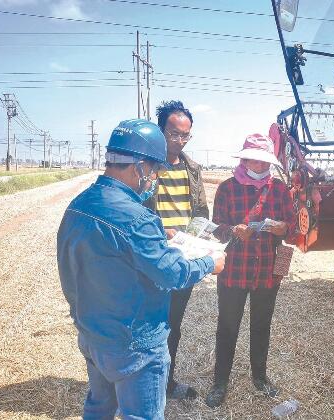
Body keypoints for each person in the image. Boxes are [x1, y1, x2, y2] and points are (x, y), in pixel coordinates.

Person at [57, 119, 225, 420]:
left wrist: (160, 241)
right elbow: (172, 274)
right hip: (136, 345)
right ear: (140, 167)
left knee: (99, 408)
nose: (156, 177)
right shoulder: (137, 217)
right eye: (156, 170)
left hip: (93, 335)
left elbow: (87, 266)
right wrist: (209, 263)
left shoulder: (79, 206)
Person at [205, 134, 295, 408]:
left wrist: (282, 228)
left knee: (261, 326)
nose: (256, 163)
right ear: (243, 159)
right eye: (251, 158)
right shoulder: (227, 189)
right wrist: (233, 230)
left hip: (268, 271)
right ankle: (220, 382)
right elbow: (216, 229)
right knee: (228, 327)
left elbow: (293, 225)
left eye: (262, 158)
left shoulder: (279, 189)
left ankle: (260, 376)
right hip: (234, 270)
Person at [145, 100, 209, 400]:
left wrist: (200, 238)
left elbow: (200, 213)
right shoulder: (145, 167)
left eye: (186, 135)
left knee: (173, 327)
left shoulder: (192, 169)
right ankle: (141, 386)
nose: (180, 140)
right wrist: (162, 230)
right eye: (174, 134)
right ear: (161, 131)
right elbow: (133, 212)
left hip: (181, 259)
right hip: (151, 256)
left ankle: (166, 385)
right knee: (147, 326)